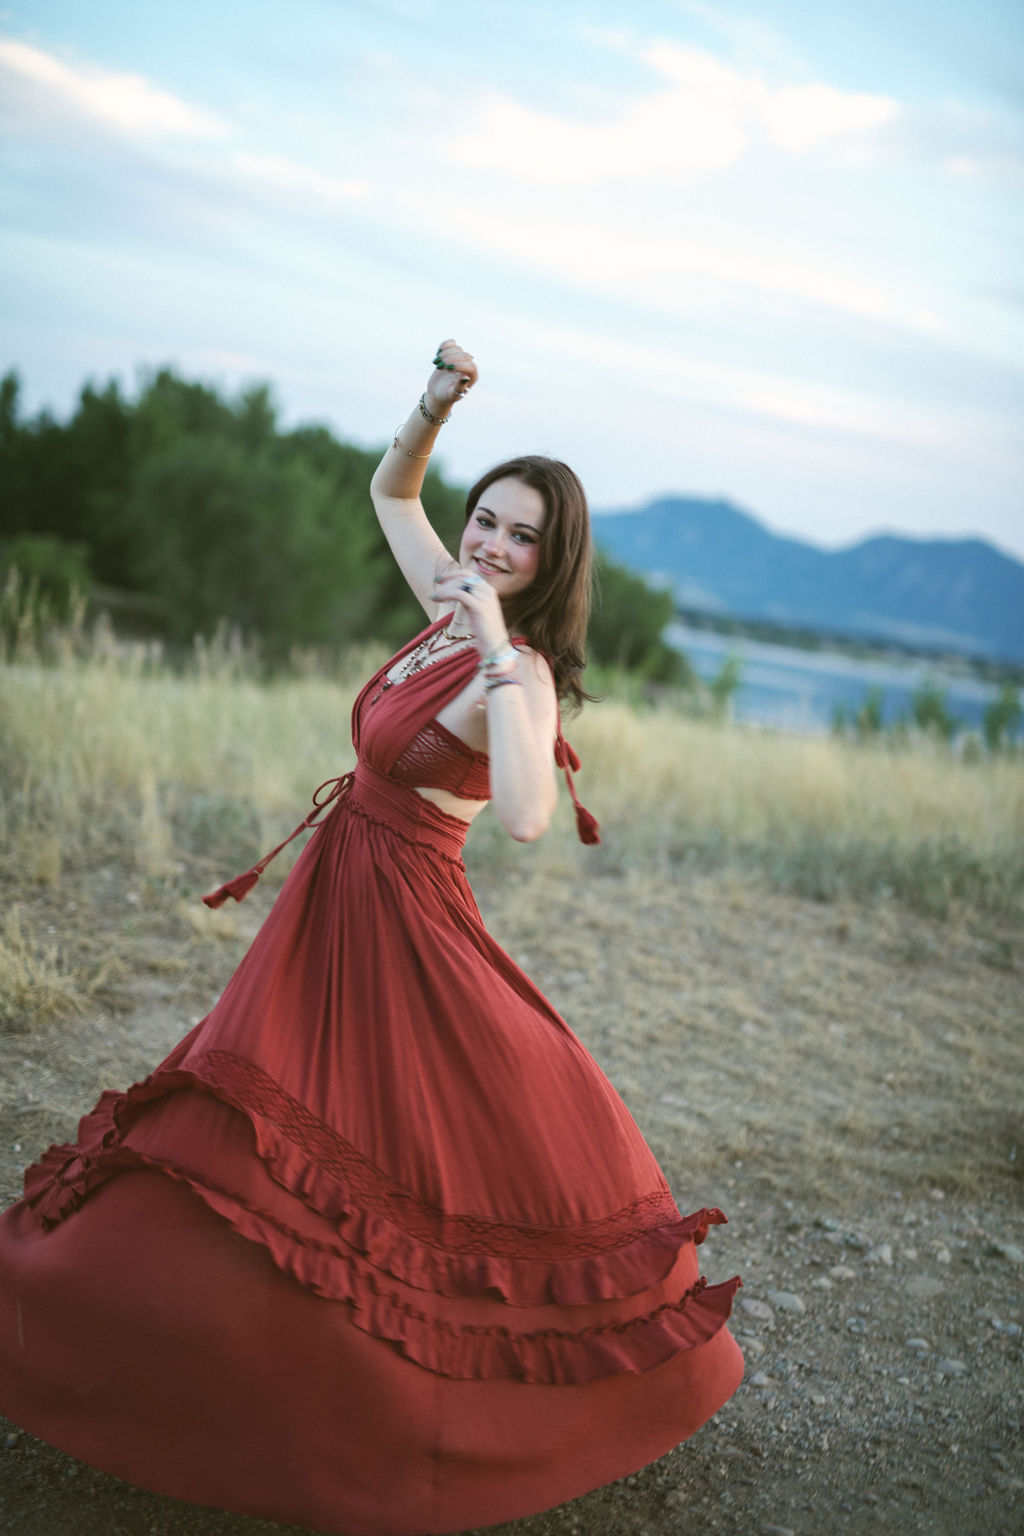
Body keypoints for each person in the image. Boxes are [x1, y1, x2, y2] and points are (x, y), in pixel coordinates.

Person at [0, 341, 743, 1536]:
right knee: (252, 1127)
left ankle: (409, 1423)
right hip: (331, 909)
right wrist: (436, 407)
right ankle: (135, 1336)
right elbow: (388, 491)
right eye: (486, 523)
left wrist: (500, 649)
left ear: (552, 564)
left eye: (520, 538)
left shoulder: (518, 665)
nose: (492, 548)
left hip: (409, 925)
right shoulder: (449, 605)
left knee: (403, 1153)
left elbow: (525, 814)